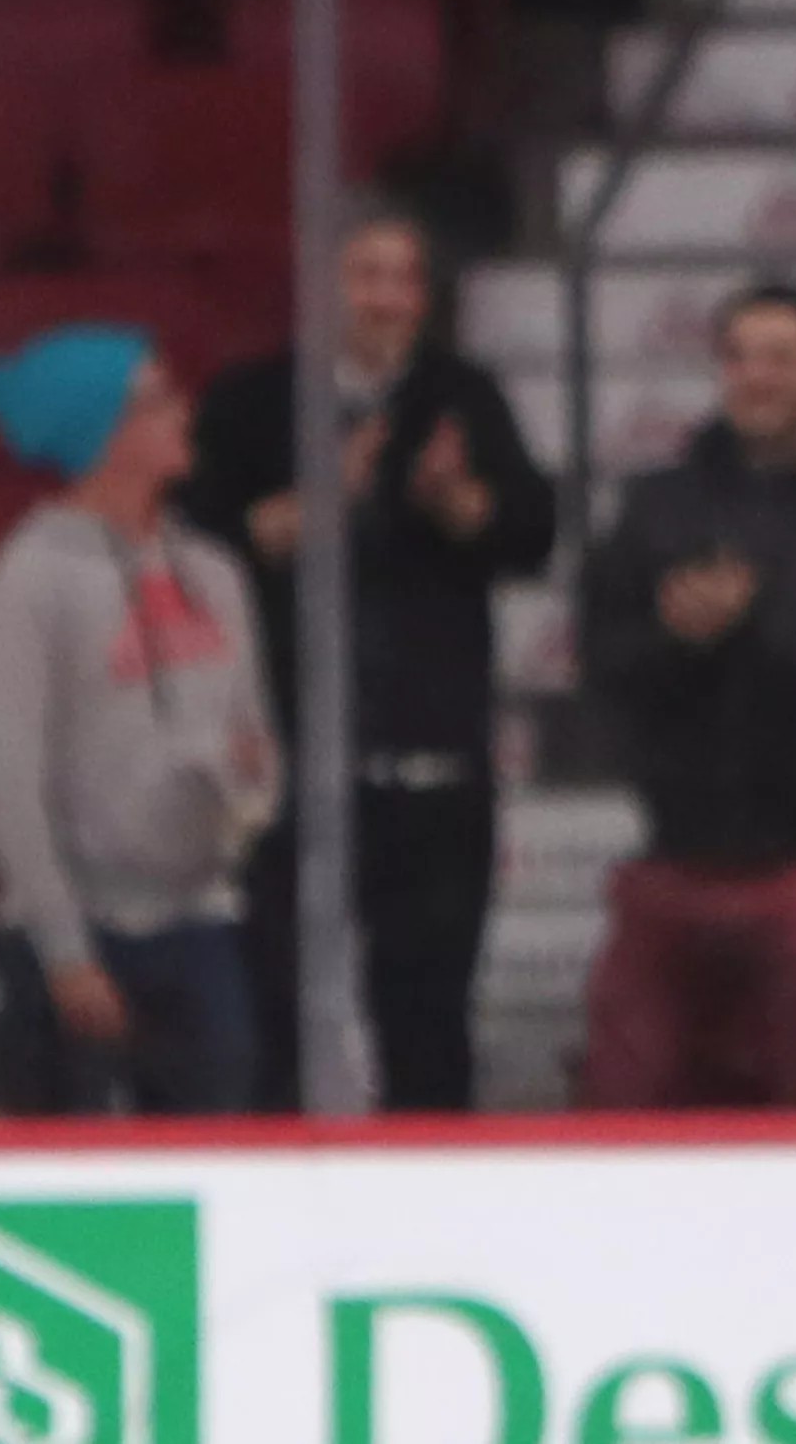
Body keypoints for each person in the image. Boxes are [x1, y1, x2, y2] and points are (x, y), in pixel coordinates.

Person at [178, 199, 556, 1111]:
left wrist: (455, 501)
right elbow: (200, 548)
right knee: (277, 1019)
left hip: (432, 762)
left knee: (429, 1021)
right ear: (324, 290)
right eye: (367, 277)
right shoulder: (251, 401)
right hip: (287, 765)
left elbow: (530, 537)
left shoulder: (462, 395)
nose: (386, 300)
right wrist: (319, 501)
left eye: (405, 280)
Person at [578, 281, 796, 1107]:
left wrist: (750, 619)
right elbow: (604, 662)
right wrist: (676, 635)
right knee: (626, 1077)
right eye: (738, 356)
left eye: (778, 358)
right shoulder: (661, 506)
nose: (754, 377)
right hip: (680, 851)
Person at [0, 326, 278, 1112]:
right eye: (159, 399)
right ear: (103, 432)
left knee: (221, 1166)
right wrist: (64, 952)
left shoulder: (214, 572)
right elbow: (9, 779)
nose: (184, 413)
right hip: (79, 935)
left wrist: (245, 801)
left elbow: (258, 741)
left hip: (201, 926)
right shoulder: (31, 578)